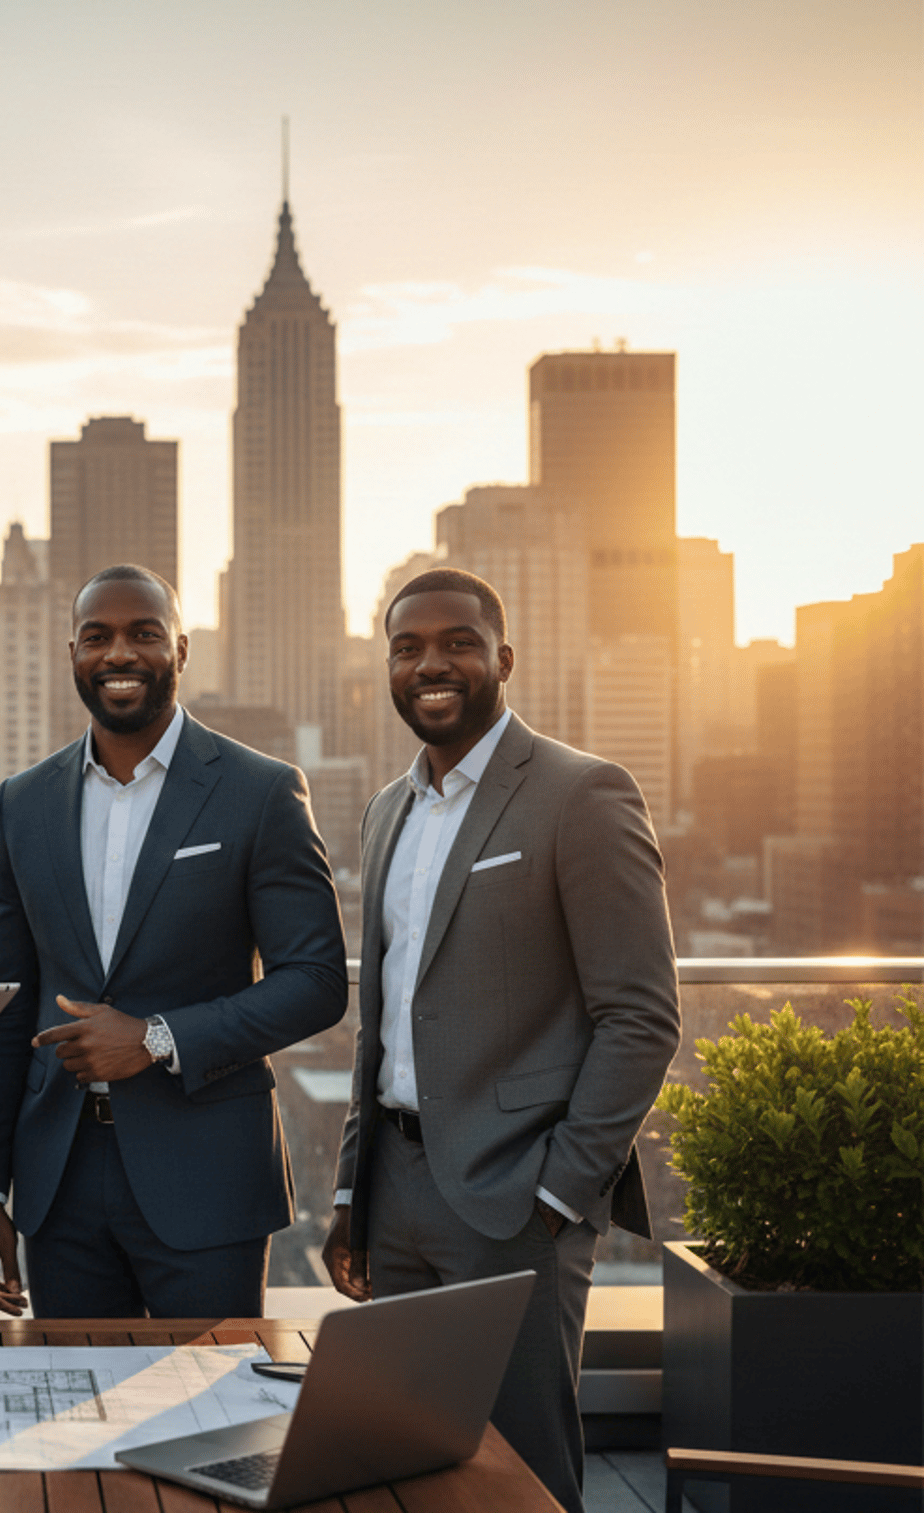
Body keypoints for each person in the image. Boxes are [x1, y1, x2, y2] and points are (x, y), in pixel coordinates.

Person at [322, 567, 680, 1513]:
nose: (431, 665)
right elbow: (387, 1023)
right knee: (401, 1460)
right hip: (394, 1191)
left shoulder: (581, 793)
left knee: (519, 1472)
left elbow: (641, 1017)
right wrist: (353, 1193)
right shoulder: (386, 811)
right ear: (388, 667)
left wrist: (562, 1190)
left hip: (518, 1199)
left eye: (457, 643)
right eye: (408, 648)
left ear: (504, 658)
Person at [0, 565, 349, 1318]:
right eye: (97, 637)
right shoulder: (23, 801)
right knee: (67, 1418)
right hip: (58, 1184)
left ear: (181, 649)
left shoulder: (259, 790)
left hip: (207, 1177)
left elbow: (316, 979)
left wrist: (157, 1038)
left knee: (210, 1416)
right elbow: (6, 1009)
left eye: (144, 633)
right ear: (71, 650)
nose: (120, 654)